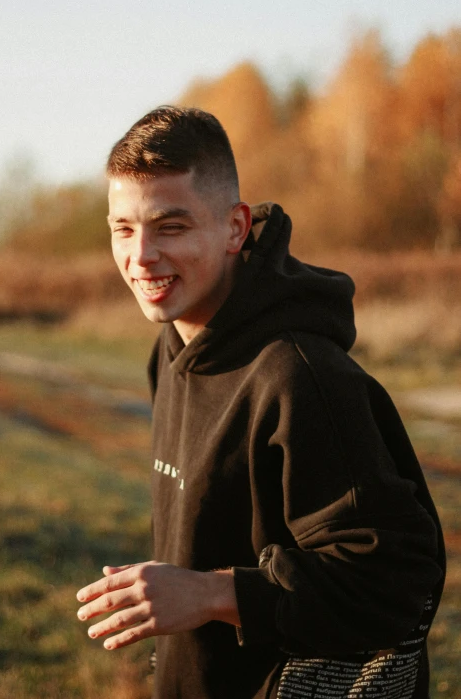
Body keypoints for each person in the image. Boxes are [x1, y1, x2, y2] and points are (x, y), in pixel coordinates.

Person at [77, 106, 445, 699]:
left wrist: (208, 594)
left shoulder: (301, 376)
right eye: (123, 228)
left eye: (170, 226)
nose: (140, 256)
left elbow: (396, 583)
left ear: (235, 227)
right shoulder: (170, 347)